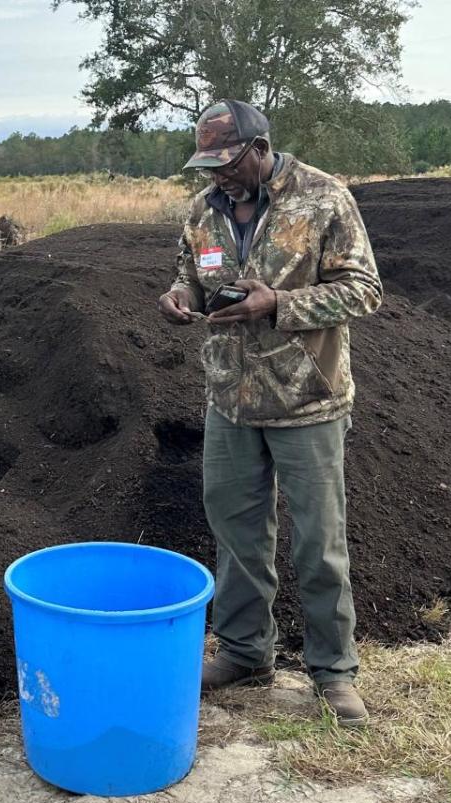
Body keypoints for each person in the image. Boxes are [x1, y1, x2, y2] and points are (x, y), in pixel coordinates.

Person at [158, 100, 382, 727]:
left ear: (259, 148)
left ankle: (333, 673)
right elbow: (190, 273)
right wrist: (180, 296)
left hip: (307, 397)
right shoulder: (204, 210)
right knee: (236, 533)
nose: (217, 177)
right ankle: (244, 652)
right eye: (208, 166)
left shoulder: (323, 198)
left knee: (319, 542)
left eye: (227, 164)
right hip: (230, 396)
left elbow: (365, 290)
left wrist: (277, 303)